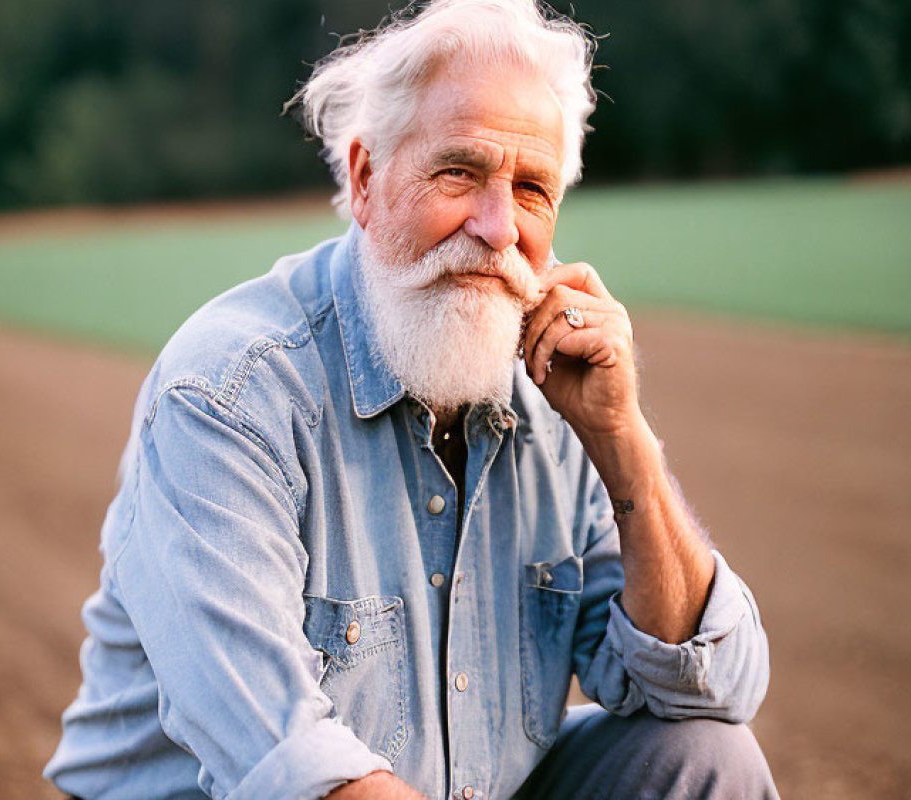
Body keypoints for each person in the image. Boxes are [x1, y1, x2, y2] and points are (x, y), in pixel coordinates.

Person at [45, 1, 779, 798]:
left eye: (531, 188)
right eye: (460, 171)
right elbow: (292, 769)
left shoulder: (551, 392)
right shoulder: (229, 396)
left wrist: (622, 439)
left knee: (711, 761)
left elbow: (712, 685)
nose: (498, 228)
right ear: (365, 178)